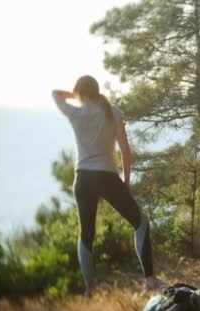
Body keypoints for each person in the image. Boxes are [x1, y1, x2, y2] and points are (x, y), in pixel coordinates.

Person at [52, 75, 164, 297]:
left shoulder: (76, 113)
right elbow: (125, 150)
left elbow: (55, 93)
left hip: (82, 178)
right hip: (106, 177)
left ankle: (88, 290)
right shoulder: (113, 111)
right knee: (140, 223)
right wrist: (126, 181)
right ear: (97, 90)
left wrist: (76, 95)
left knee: (86, 234)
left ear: (81, 93)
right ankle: (150, 279)